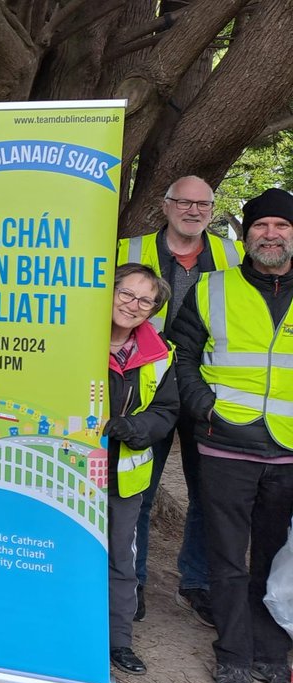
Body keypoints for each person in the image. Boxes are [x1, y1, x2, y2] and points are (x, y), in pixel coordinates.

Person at [172, 187, 293, 683]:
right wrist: (205, 409)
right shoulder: (211, 288)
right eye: (261, 226)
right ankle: (234, 658)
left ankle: (271, 654)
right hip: (226, 444)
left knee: (276, 559)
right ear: (246, 235)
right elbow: (181, 356)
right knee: (227, 559)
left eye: (281, 226)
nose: (271, 234)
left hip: (287, 449)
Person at [117, 176, 242, 625]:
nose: (193, 211)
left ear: (212, 210)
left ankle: (197, 583)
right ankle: (132, 582)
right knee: (138, 491)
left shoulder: (232, 254)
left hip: (207, 386)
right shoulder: (129, 250)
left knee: (209, 493)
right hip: (147, 387)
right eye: (184, 202)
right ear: (165, 206)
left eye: (203, 204)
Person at [102, 264, 179, 677]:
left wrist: (135, 428)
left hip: (124, 477)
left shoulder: (161, 353)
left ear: (153, 310)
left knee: (121, 561)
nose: (132, 305)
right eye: (125, 294)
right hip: (71, 473)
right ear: (108, 292)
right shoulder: (73, 337)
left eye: (144, 300)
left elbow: (167, 410)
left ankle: (118, 641)